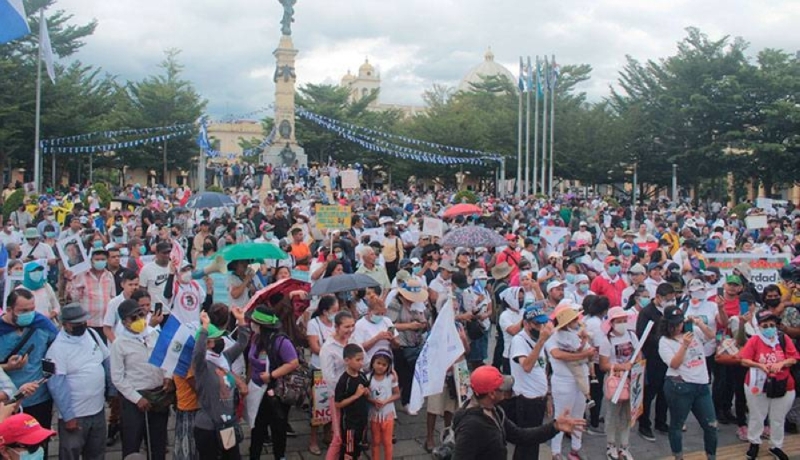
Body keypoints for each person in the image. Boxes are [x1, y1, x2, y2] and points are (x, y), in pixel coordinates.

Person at [451, 365, 586, 460]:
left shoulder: (495, 410)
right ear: (492, 394)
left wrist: (555, 427)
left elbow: (520, 436)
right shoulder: (470, 426)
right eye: (502, 388)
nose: (506, 391)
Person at [46, 303, 111, 460]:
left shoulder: (92, 334)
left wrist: (111, 392)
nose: (82, 326)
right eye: (77, 323)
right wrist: (68, 417)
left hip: (97, 410)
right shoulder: (56, 349)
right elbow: (56, 386)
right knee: (71, 453)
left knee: (97, 453)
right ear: (65, 324)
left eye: (83, 322)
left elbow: (106, 360)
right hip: (75, 415)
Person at [110, 299, 172, 460]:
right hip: (135, 400)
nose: (139, 320)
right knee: (132, 444)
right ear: (124, 322)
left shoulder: (154, 334)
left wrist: (167, 377)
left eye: (141, 315)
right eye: (133, 318)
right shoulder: (119, 344)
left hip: (158, 395)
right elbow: (117, 377)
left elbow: (165, 359)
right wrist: (137, 399)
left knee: (158, 444)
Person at [0, 288, 58, 452]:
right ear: (9, 310)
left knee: (40, 446)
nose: (30, 314)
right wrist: (7, 367)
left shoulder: (42, 323)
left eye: (32, 309)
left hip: (40, 397)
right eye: (23, 311)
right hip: (9, 404)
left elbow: (59, 348)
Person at [658, 305, 717, 460]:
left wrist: (700, 324)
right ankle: (678, 456)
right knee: (677, 424)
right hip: (680, 385)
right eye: (674, 324)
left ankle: (711, 456)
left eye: (680, 323)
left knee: (711, 425)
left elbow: (712, 336)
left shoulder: (692, 332)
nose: (678, 327)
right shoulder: (664, 342)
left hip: (702, 384)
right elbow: (674, 364)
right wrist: (684, 345)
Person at [739, 310, 798, 460]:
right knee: (757, 415)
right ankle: (754, 442)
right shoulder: (755, 340)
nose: (769, 328)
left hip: (783, 383)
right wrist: (759, 366)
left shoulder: (783, 338)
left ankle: (776, 446)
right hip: (758, 383)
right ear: (759, 326)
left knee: (778, 418)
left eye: (772, 324)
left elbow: (794, 357)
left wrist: (782, 363)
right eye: (765, 325)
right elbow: (744, 359)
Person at [193, 307, 250, 459]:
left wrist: (241, 320)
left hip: (227, 424)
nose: (221, 341)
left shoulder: (224, 358)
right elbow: (198, 352)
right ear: (206, 343)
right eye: (216, 339)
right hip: (207, 427)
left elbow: (242, 343)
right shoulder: (202, 365)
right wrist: (204, 328)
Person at [246, 305, 300, 460]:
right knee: (257, 427)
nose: (252, 325)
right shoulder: (256, 338)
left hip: (275, 391)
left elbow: (293, 362)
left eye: (254, 322)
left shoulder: (281, 341)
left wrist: (272, 375)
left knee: (278, 427)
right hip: (257, 390)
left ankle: (280, 456)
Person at [546, 305, 595, 459]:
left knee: (578, 415)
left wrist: (585, 347)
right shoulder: (553, 337)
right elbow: (557, 354)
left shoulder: (577, 334)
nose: (577, 321)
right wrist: (583, 354)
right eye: (574, 319)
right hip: (563, 381)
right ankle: (556, 452)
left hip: (580, 379)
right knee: (561, 416)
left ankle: (575, 448)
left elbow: (589, 354)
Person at [508, 306, 552, 460]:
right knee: (526, 442)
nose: (541, 328)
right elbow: (526, 365)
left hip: (538, 398)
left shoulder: (537, 340)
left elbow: (542, 368)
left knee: (534, 443)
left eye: (542, 325)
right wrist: (541, 341)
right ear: (526, 324)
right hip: (526, 400)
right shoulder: (520, 341)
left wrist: (547, 395)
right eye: (537, 325)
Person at [599, 306, 640, 460]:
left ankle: (624, 446)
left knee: (627, 415)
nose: (622, 323)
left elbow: (638, 354)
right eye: (619, 321)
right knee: (612, 414)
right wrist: (620, 367)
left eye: (624, 320)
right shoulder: (606, 340)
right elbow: (603, 365)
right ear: (612, 322)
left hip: (631, 380)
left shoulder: (632, 335)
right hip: (614, 382)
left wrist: (634, 366)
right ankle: (611, 445)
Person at [636, 282, 675, 441]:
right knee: (649, 393)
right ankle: (644, 424)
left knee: (664, 392)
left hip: (667, 359)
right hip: (652, 358)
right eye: (668, 299)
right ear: (658, 297)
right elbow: (642, 336)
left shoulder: (669, 312)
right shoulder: (647, 313)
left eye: (673, 299)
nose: (671, 302)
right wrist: (663, 340)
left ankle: (661, 421)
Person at [387, 279, 428, 412]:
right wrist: (408, 326)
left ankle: (408, 400)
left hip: (415, 342)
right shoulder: (395, 304)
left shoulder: (417, 305)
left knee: (411, 374)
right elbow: (390, 325)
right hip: (400, 344)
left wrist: (422, 324)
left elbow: (424, 319)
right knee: (402, 374)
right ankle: (399, 400)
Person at [320, 311, 356, 460]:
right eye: (346, 327)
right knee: (338, 437)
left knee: (352, 435)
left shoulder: (353, 340)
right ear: (336, 327)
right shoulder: (328, 348)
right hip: (338, 397)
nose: (350, 329)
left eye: (352, 326)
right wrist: (346, 391)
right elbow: (329, 378)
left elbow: (364, 361)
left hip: (355, 394)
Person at [306, 295, 339, 455]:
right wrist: (330, 353)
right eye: (334, 310)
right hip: (319, 368)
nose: (335, 313)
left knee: (331, 404)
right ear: (325, 311)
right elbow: (313, 346)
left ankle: (328, 433)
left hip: (334, 369)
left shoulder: (336, 324)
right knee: (317, 406)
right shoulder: (314, 324)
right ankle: (313, 439)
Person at [66, 248, 116, 338]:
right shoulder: (82, 275)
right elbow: (74, 297)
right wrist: (70, 280)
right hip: (89, 322)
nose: (100, 262)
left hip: (106, 322)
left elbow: (112, 296)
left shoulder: (109, 275)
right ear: (91, 261)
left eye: (103, 259)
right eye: (97, 259)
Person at [334, 343, 370, 460]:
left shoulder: (362, 375)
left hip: (362, 419)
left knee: (358, 447)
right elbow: (338, 403)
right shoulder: (344, 380)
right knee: (348, 450)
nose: (361, 362)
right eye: (358, 360)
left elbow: (367, 389)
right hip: (350, 423)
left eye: (362, 359)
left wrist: (366, 392)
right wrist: (355, 396)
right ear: (347, 360)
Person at [366, 350, 399, 460]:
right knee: (375, 440)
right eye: (378, 363)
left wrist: (385, 401)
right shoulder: (368, 378)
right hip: (375, 414)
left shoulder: (390, 378)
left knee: (387, 441)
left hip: (388, 413)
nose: (380, 367)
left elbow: (397, 394)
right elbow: (365, 395)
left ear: (388, 366)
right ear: (373, 363)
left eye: (384, 364)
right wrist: (372, 400)